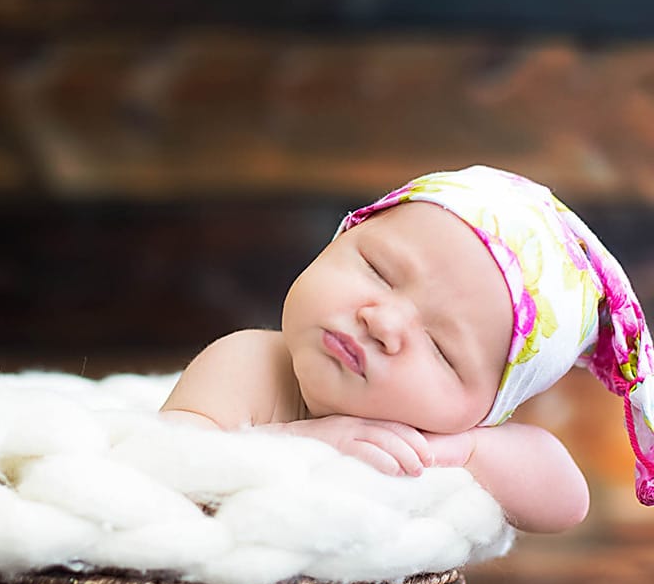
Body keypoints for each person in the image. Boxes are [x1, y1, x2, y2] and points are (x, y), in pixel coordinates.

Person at [160, 165, 654, 535]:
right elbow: (165, 463)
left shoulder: (441, 437)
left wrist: (459, 451)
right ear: (341, 237)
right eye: (378, 269)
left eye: (441, 349)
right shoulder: (251, 364)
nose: (384, 322)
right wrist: (303, 445)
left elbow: (566, 502)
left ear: (481, 412)